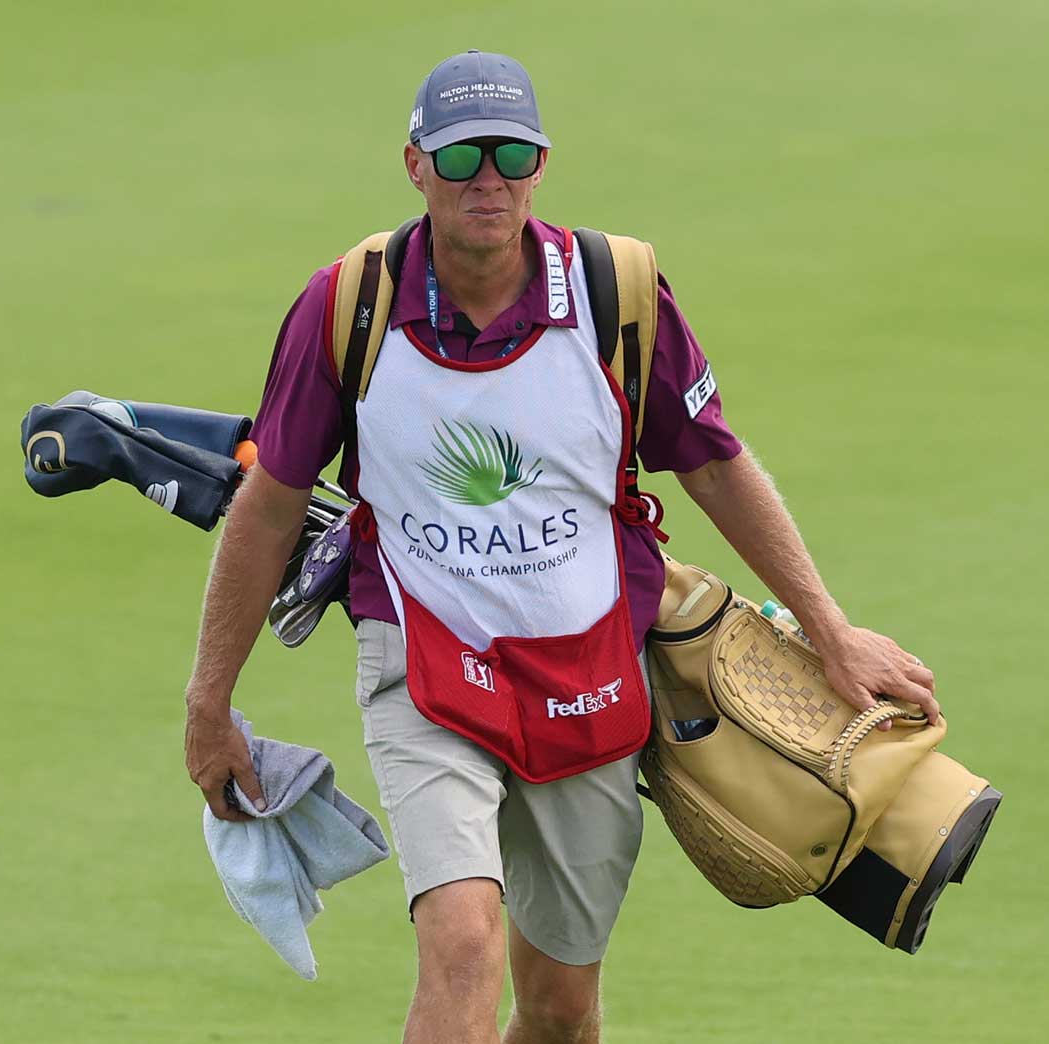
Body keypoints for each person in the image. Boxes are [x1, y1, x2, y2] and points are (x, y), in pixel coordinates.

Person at [181, 50, 939, 1044]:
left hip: (588, 672)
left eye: (509, 154)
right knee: (461, 942)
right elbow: (269, 506)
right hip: (423, 664)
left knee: (560, 1007)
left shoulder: (615, 292)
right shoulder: (346, 306)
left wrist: (830, 631)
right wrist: (209, 700)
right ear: (415, 165)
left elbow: (712, 464)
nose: (485, 178)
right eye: (460, 158)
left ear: (540, 164)